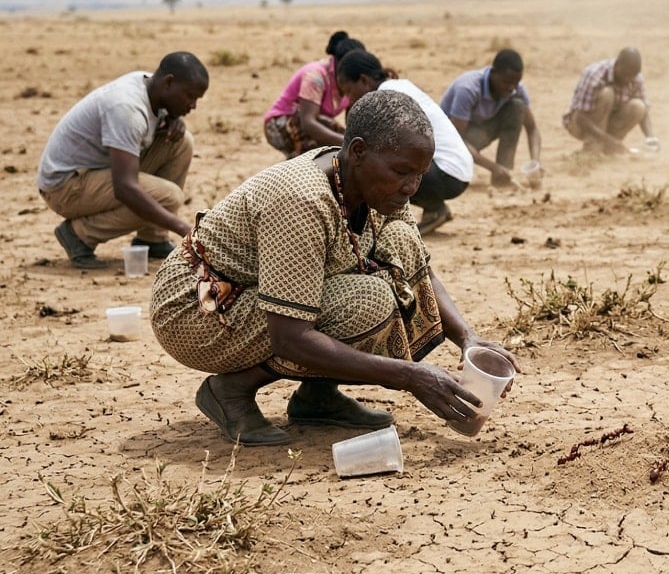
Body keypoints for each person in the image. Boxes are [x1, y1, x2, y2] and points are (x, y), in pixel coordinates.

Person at [151, 89, 519, 446]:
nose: (412, 186)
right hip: (198, 308)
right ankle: (230, 390)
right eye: (404, 171)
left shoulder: (376, 183)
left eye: (420, 174)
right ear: (358, 151)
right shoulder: (302, 199)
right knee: (367, 302)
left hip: (247, 296)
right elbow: (290, 337)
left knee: (401, 244)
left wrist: (468, 339)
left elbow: (418, 267)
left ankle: (317, 397)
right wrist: (410, 376)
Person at [37, 52, 209, 269]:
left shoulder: (150, 84)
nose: (193, 105)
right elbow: (125, 188)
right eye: (189, 96)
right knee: (168, 197)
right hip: (65, 187)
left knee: (180, 142)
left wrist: (175, 118)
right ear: (168, 83)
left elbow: (166, 113)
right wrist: (184, 229)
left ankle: (152, 239)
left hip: (97, 170)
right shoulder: (126, 109)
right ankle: (78, 235)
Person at [263, 33, 392, 158]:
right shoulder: (316, 76)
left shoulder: (353, 82)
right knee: (324, 148)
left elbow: (350, 123)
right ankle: (299, 168)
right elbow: (307, 122)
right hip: (282, 124)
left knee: (341, 137)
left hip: (313, 122)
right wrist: (345, 144)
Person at [381, 78, 474, 235]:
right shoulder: (400, 84)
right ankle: (434, 208)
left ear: (363, 80)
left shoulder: (385, 92)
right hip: (459, 173)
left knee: (385, 168)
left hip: (446, 175)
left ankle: (435, 209)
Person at [440, 49, 542, 188]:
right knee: (450, 178)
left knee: (517, 107)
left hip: (478, 133)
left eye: (515, 83)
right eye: (506, 82)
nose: (511, 88)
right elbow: (456, 140)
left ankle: (503, 177)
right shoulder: (468, 88)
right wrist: (493, 167)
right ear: (493, 73)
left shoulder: (516, 89)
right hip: (447, 143)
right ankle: (496, 171)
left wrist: (535, 162)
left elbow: (532, 129)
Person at [562, 47, 657, 155]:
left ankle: (608, 149)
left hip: (606, 126)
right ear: (617, 64)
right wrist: (608, 138)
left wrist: (651, 138)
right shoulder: (594, 75)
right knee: (607, 93)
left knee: (639, 107)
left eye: (632, 77)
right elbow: (580, 117)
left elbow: (644, 113)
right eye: (625, 75)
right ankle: (592, 148)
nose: (628, 80)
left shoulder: (636, 78)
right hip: (578, 124)